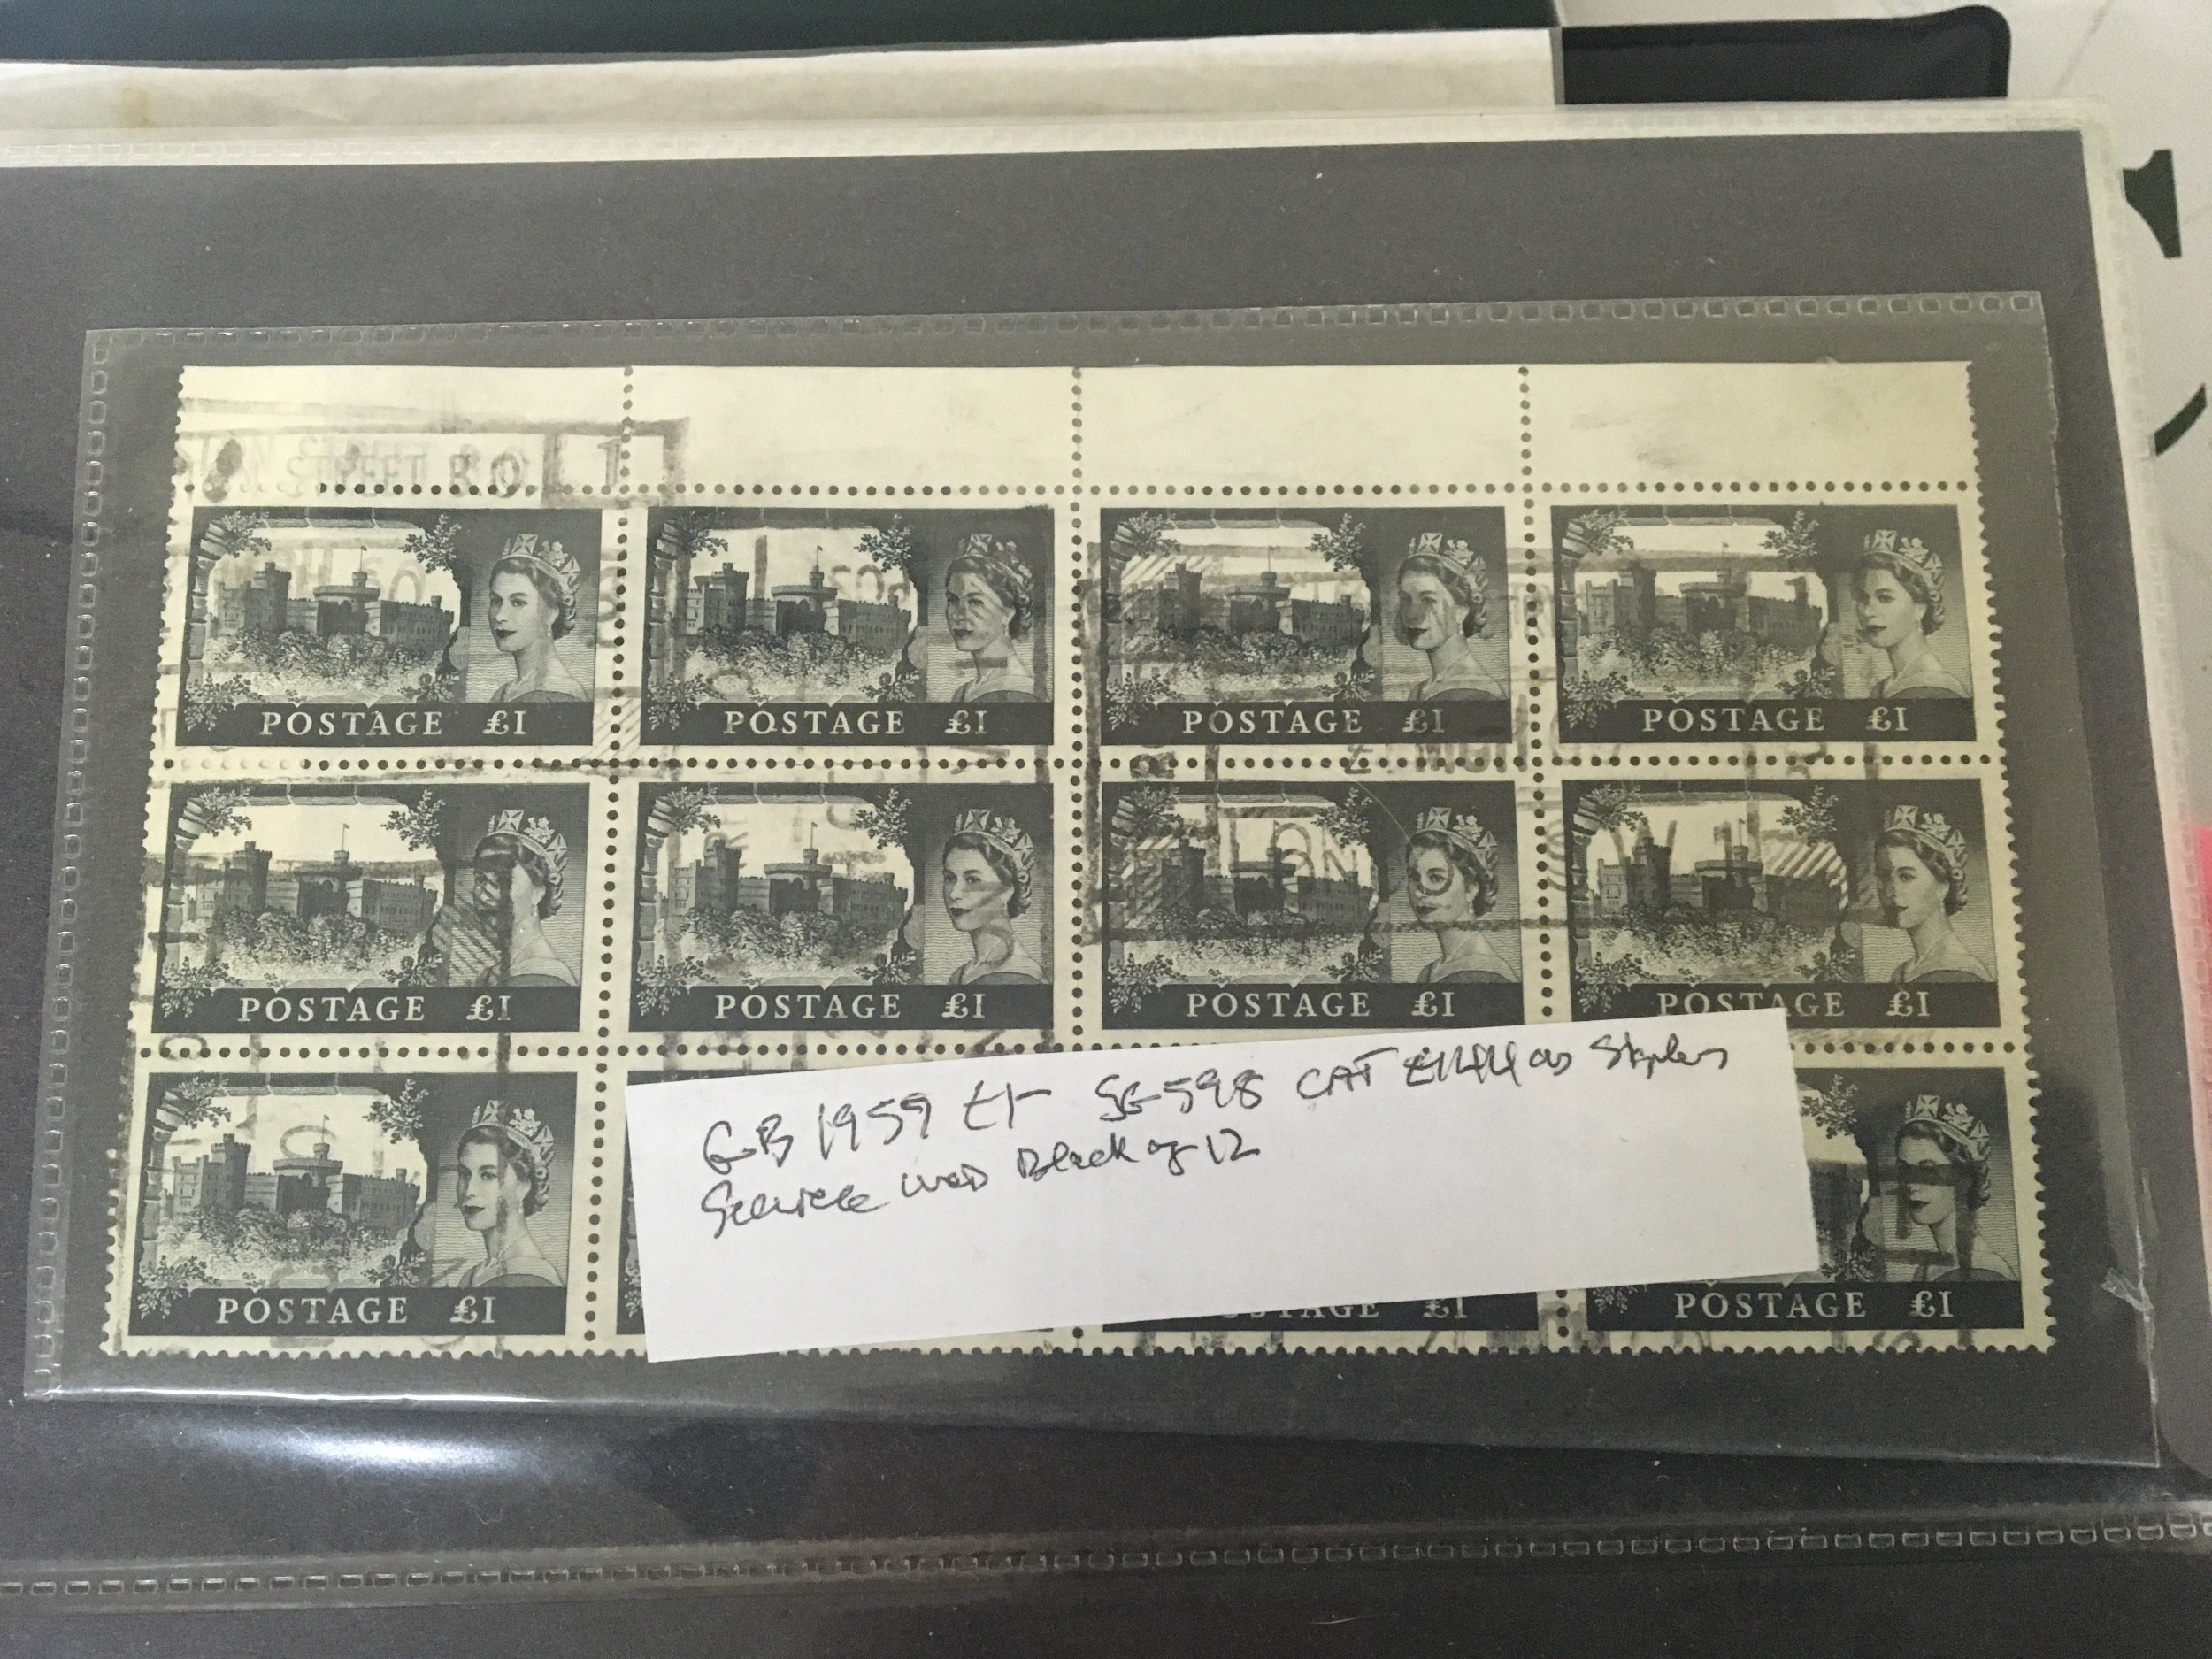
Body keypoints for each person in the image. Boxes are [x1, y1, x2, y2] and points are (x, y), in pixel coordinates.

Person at [1887, 1094, 2016, 1282]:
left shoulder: (1980, 1273)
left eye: (1928, 1170)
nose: (1911, 1185)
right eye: (1904, 1169)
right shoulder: (1930, 1269)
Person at [452, 809, 579, 987]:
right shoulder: (491, 975)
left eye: (503, 880)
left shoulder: (545, 979)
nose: (484, 895)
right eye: (480, 879)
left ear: (539, 891)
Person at [447, 1098, 565, 1289]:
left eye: (488, 1175)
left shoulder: (530, 1280)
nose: (469, 1190)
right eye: (465, 1174)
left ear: (523, 1186)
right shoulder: (474, 1275)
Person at [1872, 803, 1991, 983]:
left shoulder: (1957, 973)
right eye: (1884, 876)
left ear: (1943, 886)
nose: (1890, 891)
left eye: (1906, 877)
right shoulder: (1905, 972)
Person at [1849, 529, 1970, 700]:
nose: (1867, 611)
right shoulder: (1884, 688)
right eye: (1863, 599)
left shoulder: (1935, 691)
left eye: (1885, 598)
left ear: (1920, 607)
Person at [1402, 804, 1514, 984]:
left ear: (1471, 888)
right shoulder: (1431, 971)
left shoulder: (1483, 975)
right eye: (1414, 877)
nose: (1419, 891)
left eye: (1436, 878)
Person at [941, 808, 1045, 985]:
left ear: (1008, 890)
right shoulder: (963, 974)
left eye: (972, 880)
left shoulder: (1018, 978)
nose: (954, 893)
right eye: (950, 878)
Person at [1395, 533, 1501, 702]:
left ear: (1462, 611)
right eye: (1406, 599)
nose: (1412, 614)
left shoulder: (1474, 694)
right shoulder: (1422, 690)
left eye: (1428, 600)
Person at [487, 534, 589, 703]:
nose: (500, 616)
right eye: (496, 601)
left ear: (553, 612)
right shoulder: (505, 693)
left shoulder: (558, 695)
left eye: (518, 602)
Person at [944, 534, 1041, 703]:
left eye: (975, 602)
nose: (958, 615)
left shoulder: (1018, 694)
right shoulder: (965, 692)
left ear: (1008, 612)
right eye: (953, 600)